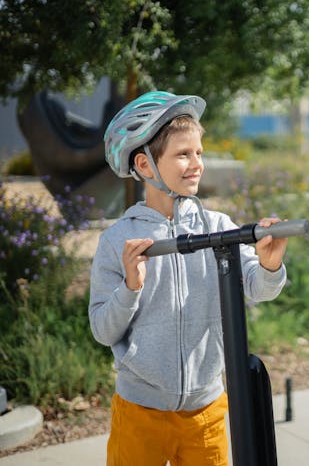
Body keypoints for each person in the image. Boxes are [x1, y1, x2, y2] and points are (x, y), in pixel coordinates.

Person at [89, 90, 288, 466]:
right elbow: (102, 330)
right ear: (145, 166)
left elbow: (258, 290)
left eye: (199, 153)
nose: (196, 163)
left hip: (206, 410)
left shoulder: (219, 228)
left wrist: (269, 265)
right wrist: (130, 288)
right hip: (140, 409)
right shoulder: (118, 241)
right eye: (183, 154)